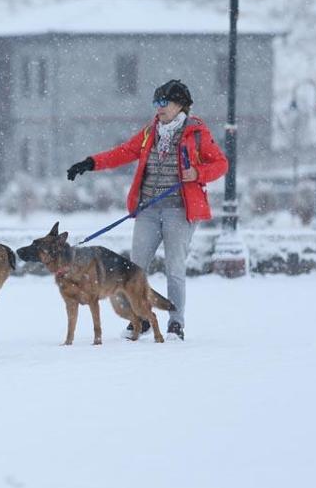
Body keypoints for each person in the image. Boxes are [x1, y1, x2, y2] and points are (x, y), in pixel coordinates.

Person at [66, 79, 227, 340]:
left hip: (179, 210)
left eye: (164, 103)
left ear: (180, 105)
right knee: (134, 268)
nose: (159, 108)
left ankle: (176, 324)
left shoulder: (196, 133)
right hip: (149, 210)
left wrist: (197, 173)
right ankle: (140, 320)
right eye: (156, 103)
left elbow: (221, 164)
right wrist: (89, 163)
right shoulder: (149, 133)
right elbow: (122, 152)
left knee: (174, 267)